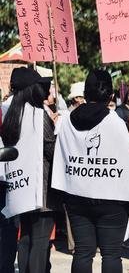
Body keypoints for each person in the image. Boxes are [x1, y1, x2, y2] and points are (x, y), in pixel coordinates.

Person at [51, 69, 129, 273]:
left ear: (86, 93)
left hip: (76, 195)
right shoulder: (115, 123)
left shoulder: (67, 121)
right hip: (112, 200)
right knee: (111, 254)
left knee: (83, 252)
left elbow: (62, 157)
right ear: (111, 95)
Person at [0, 67, 58, 273]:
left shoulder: (11, 114)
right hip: (40, 190)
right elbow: (51, 149)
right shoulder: (37, 114)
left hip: (20, 189)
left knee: (25, 239)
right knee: (41, 243)